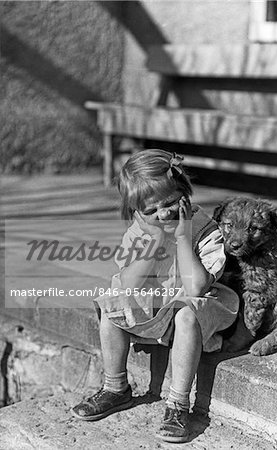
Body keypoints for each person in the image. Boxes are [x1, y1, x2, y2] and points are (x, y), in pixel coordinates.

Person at [72, 149, 239, 443]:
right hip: (157, 303)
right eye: (151, 210)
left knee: (186, 313)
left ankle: (178, 405)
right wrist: (156, 239)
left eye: (171, 203)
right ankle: (116, 387)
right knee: (111, 302)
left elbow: (196, 288)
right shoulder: (140, 232)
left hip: (198, 308)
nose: (164, 214)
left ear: (185, 193)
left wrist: (183, 236)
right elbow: (129, 283)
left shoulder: (204, 230)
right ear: (136, 213)